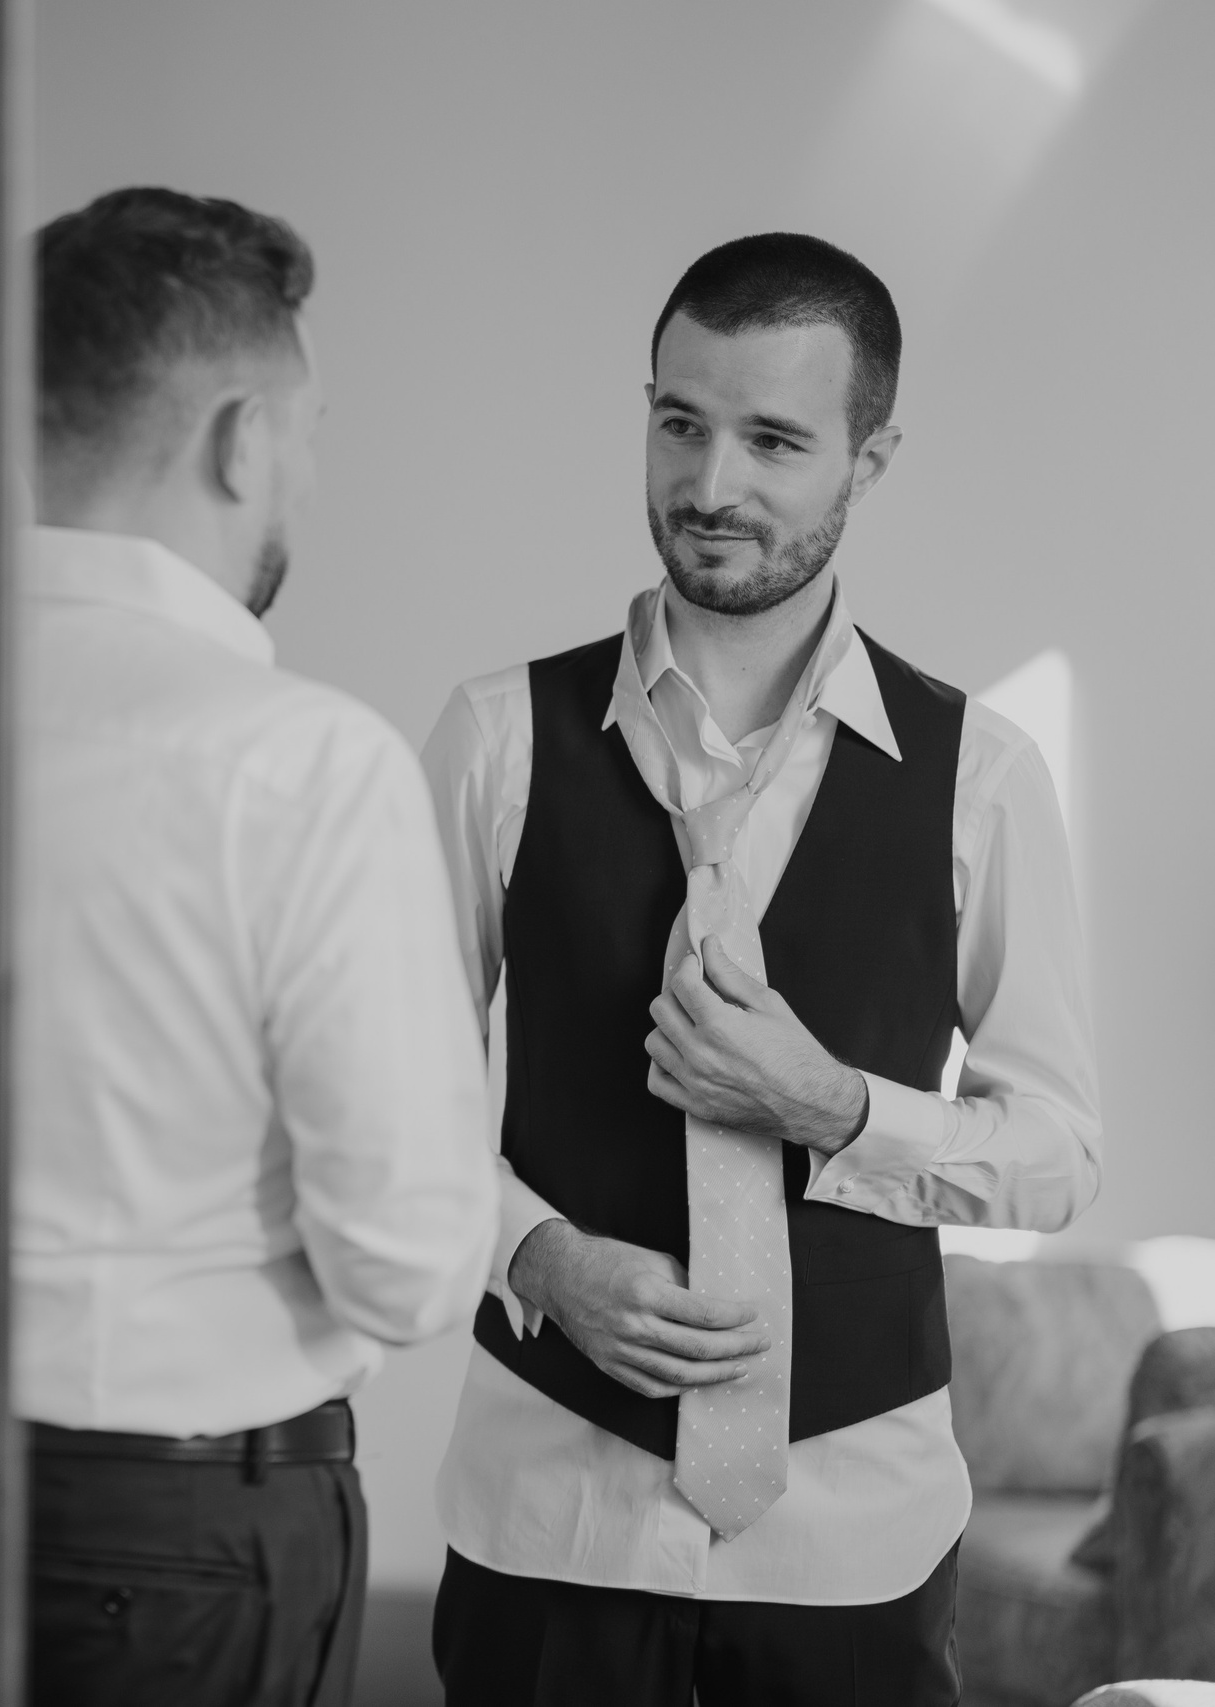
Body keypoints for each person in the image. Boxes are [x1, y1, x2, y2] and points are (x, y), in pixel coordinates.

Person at [420, 232, 1102, 1705]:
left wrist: (840, 1108)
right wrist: (538, 1257)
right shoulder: (493, 744)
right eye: (679, 422)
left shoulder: (983, 776)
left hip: (854, 1540)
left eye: (774, 440)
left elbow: (1055, 1156)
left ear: (872, 455)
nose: (710, 486)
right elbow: (382, 1114)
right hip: (553, 1517)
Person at [17, 186, 498, 1707]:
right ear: (240, 438)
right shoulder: (300, 762)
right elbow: (409, 1267)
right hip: (183, 1546)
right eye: (307, 429)